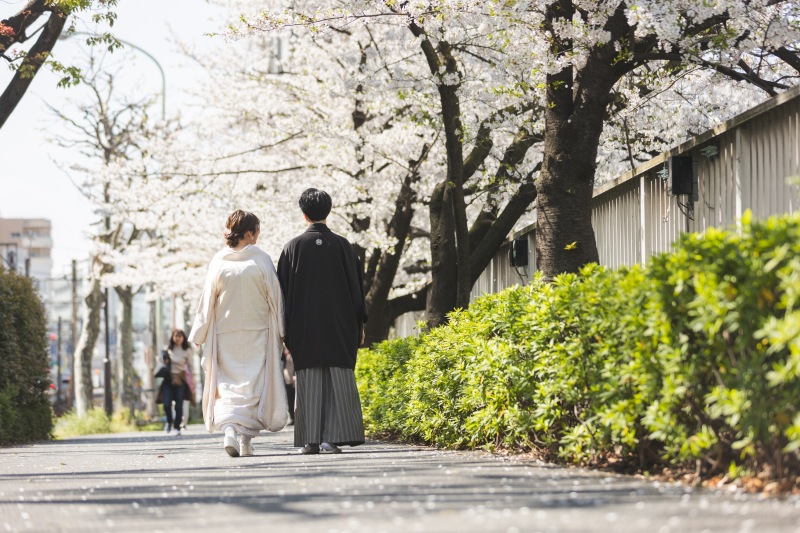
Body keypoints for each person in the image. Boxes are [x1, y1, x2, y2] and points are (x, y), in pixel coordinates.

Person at [188, 209, 288, 457]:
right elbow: (275, 297)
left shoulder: (220, 261)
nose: (258, 235)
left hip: (226, 333)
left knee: (228, 385)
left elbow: (207, 298)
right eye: (257, 230)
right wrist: (284, 331)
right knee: (253, 386)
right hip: (258, 332)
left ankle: (231, 431)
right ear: (249, 233)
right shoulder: (261, 260)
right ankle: (245, 439)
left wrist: (199, 333)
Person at [277, 188, 367, 455]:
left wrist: (284, 330)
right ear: (329, 211)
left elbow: (282, 292)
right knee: (338, 375)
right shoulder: (343, 246)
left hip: (304, 325)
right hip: (341, 324)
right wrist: (360, 324)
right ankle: (334, 437)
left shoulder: (292, 248)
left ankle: (310, 440)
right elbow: (357, 290)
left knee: (308, 379)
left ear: (304, 214)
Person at [164, 329, 195, 435]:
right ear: (172, 337)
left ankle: (177, 427)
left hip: (181, 380)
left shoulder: (187, 350)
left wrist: (193, 380)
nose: (177, 338)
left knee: (179, 404)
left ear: (183, 338)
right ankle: (168, 422)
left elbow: (191, 366)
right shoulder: (168, 349)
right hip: (168, 379)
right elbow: (161, 361)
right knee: (167, 404)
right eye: (175, 336)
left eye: (179, 336)